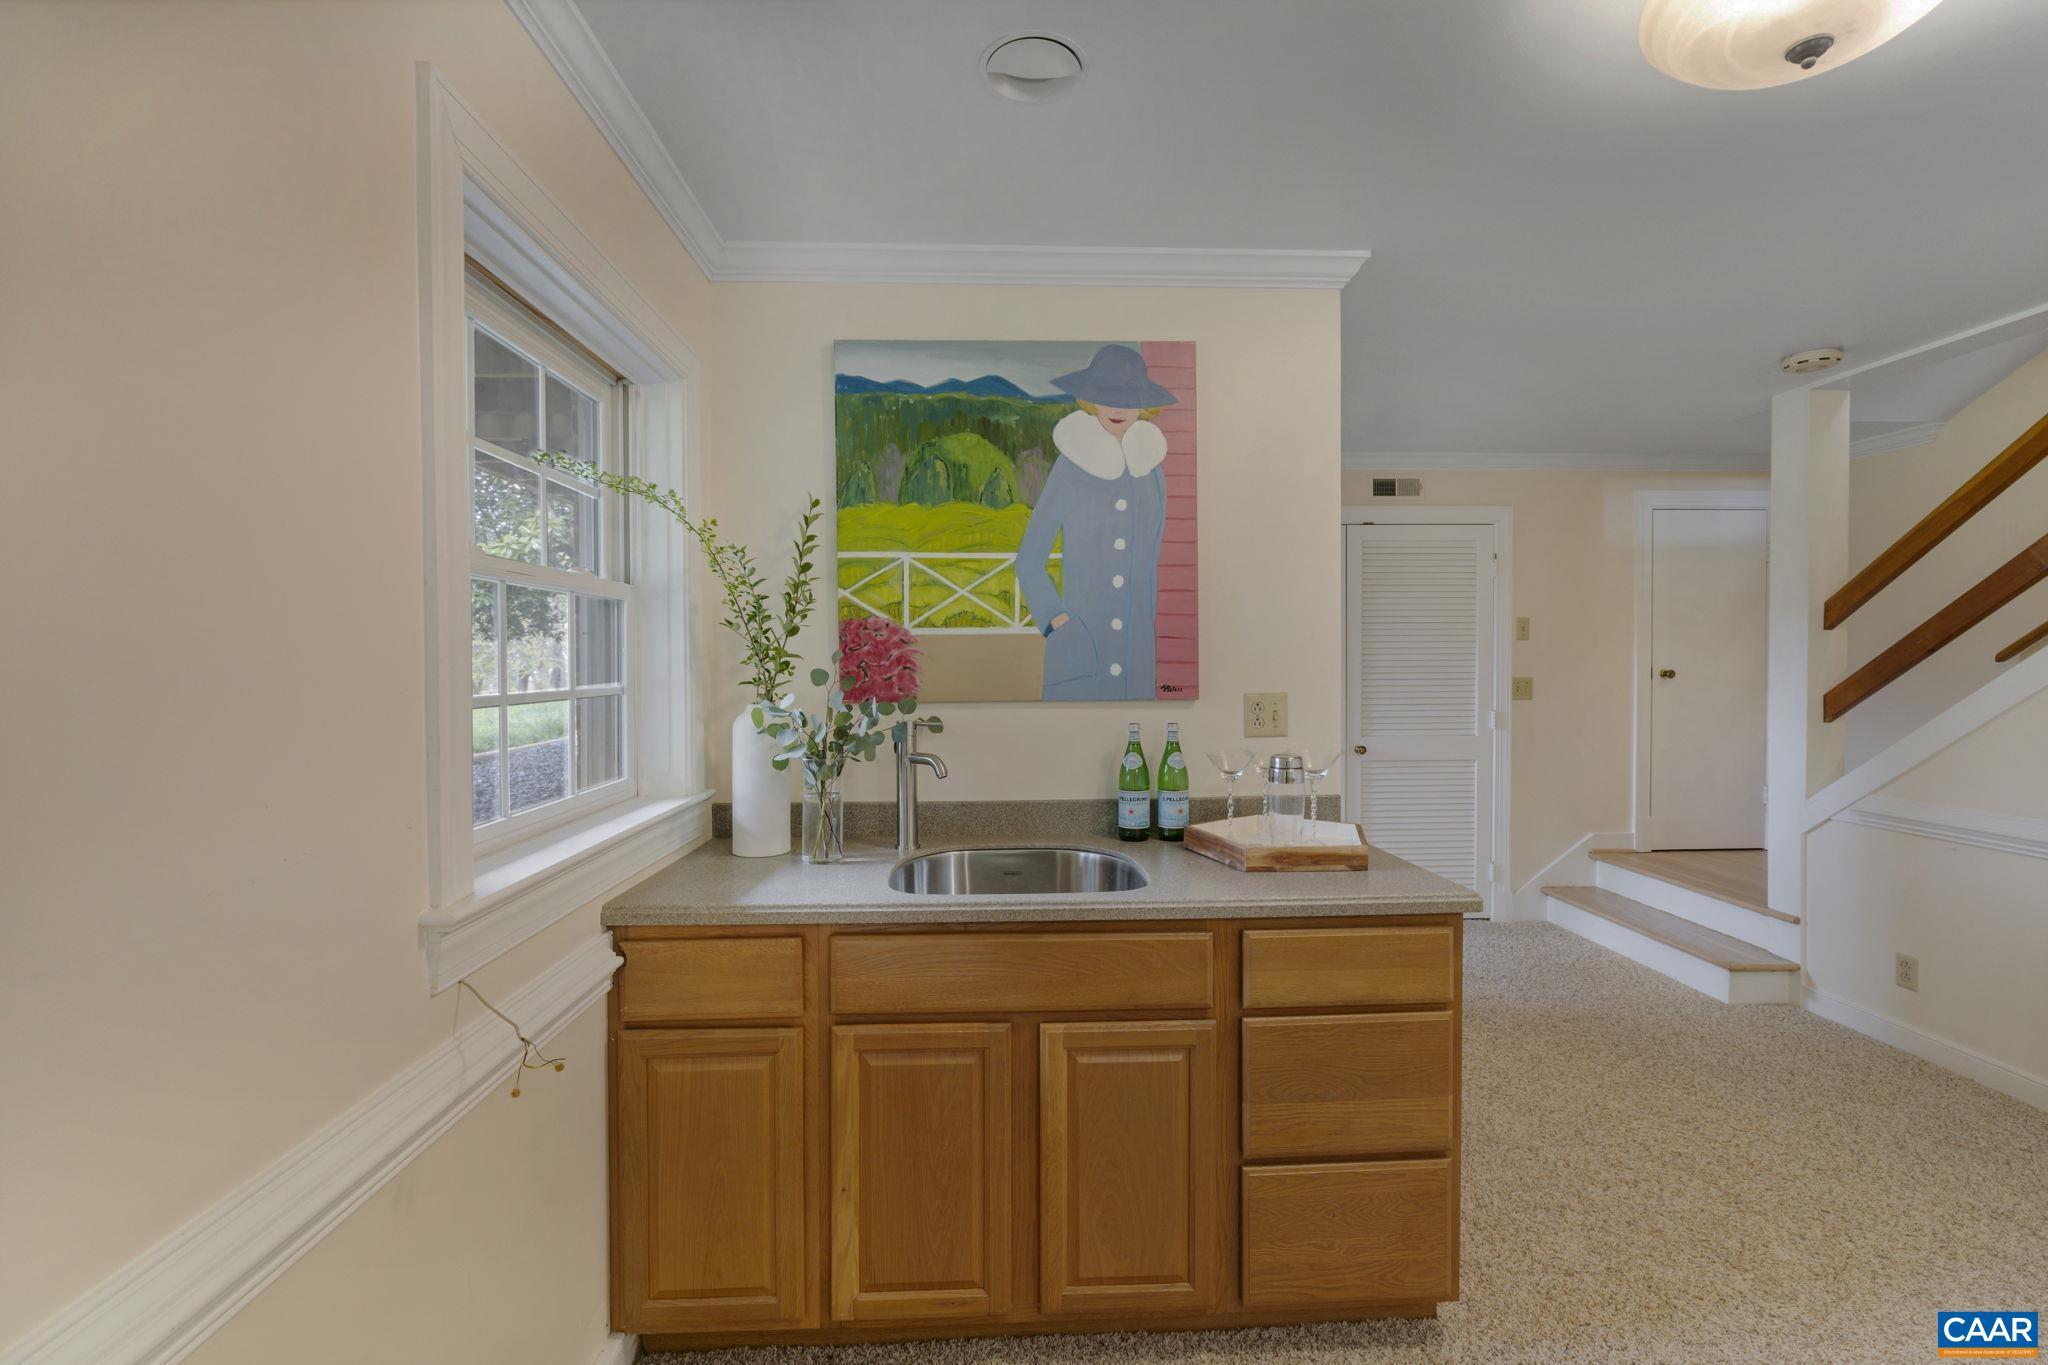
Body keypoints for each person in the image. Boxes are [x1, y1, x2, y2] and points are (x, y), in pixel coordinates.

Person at [1016, 344, 1176, 701]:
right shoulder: (1071, 467)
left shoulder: (1151, 473)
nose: (1117, 408)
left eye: (1128, 398)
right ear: (1090, 401)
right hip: (1079, 650)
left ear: (1144, 405)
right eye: (1106, 396)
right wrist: (1057, 622)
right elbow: (1028, 560)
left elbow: (1148, 567)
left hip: (1137, 660)